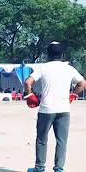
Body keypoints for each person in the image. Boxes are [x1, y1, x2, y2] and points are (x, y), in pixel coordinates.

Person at [25, 41, 86, 172]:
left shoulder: (43, 68)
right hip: (64, 109)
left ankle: (39, 168)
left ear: (48, 54)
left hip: (46, 110)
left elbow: (28, 82)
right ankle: (59, 169)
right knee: (61, 141)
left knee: (42, 139)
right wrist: (73, 96)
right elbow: (82, 83)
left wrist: (30, 95)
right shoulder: (69, 68)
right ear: (62, 54)